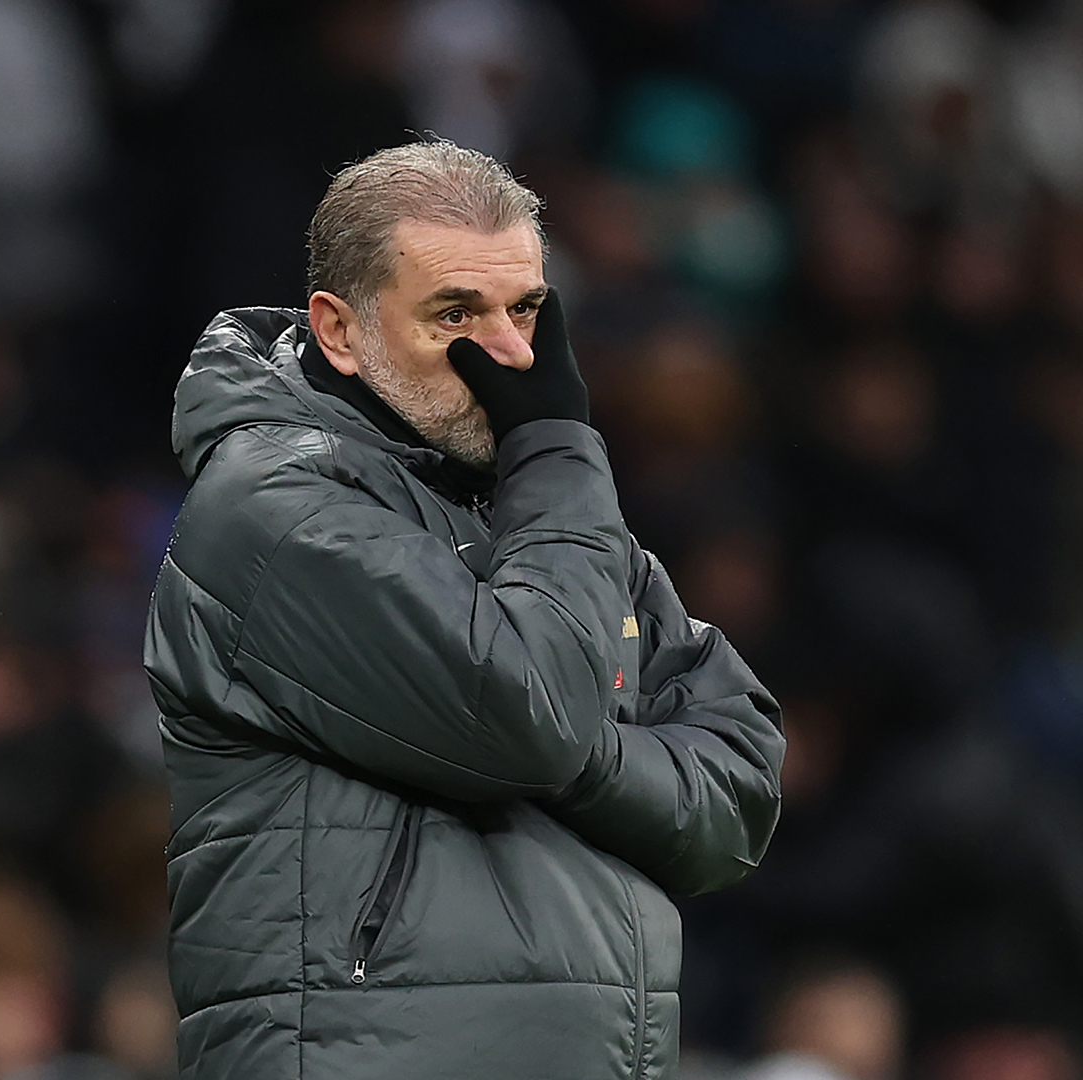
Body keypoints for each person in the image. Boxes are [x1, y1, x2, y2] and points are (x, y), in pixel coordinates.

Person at [143, 139, 785, 1079]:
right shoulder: (274, 512)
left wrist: (571, 748)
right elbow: (535, 713)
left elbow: (739, 793)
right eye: (457, 314)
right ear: (340, 331)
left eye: (527, 311)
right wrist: (559, 445)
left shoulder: (536, 514)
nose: (514, 359)